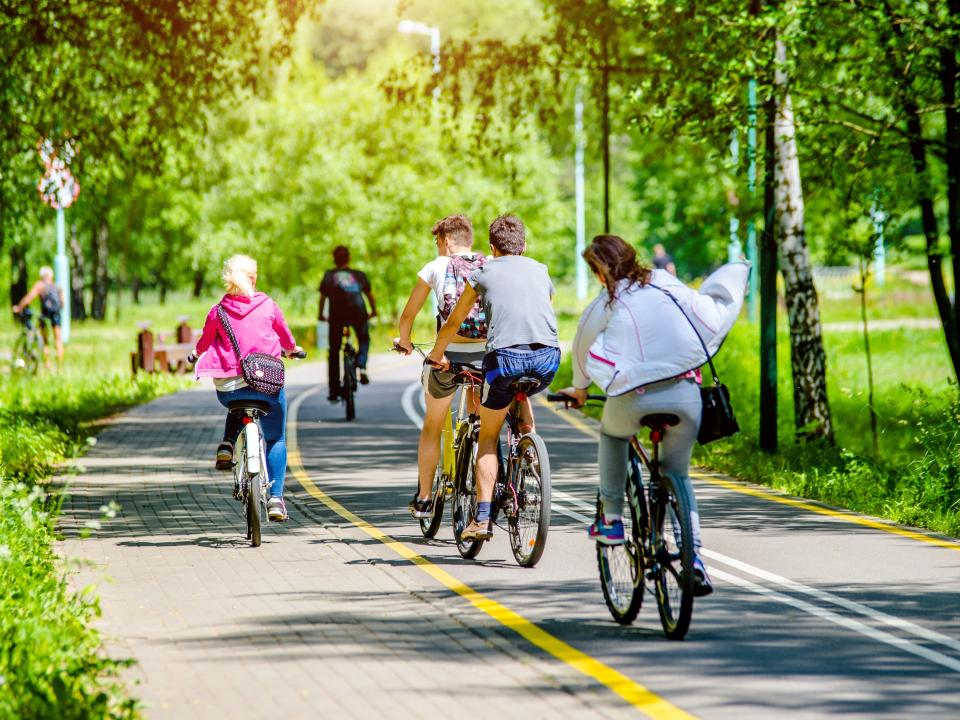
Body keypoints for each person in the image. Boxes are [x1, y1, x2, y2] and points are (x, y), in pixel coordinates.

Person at [557, 234, 749, 597]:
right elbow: (699, 310)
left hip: (634, 397)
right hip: (685, 395)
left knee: (613, 434)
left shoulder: (607, 302)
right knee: (678, 474)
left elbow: (582, 346)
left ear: (600, 272)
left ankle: (612, 519)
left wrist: (580, 388)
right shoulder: (664, 282)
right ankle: (693, 559)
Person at [428, 215, 561, 540]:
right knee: (521, 394)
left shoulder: (482, 272)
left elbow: (455, 320)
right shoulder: (540, 270)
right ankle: (527, 447)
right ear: (524, 245)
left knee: (488, 437)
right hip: (548, 357)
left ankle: (482, 519)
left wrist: (438, 353)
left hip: (504, 358)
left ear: (492, 248)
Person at [192, 254, 303, 522]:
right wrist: (292, 350)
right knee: (276, 437)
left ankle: (227, 444)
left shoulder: (217, 311)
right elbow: (286, 339)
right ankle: (276, 498)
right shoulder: (268, 305)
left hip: (229, 388)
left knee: (238, 401)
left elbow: (204, 342)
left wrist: (194, 356)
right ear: (253, 279)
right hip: (266, 386)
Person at [395, 214, 487, 518]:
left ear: (446, 241)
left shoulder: (435, 267)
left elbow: (408, 315)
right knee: (482, 426)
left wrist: (405, 341)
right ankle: (480, 484)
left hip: (448, 357)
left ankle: (424, 498)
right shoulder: (489, 264)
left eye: (437, 241)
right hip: (486, 357)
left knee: (432, 426)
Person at [318, 246, 377, 402]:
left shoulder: (329, 276)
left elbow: (323, 298)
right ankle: (362, 366)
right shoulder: (358, 275)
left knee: (334, 351)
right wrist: (374, 311)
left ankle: (334, 389)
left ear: (334, 260)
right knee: (364, 338)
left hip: (337, 314)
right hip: (358, 311)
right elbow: (370, 296)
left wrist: (321, 315)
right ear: (349, 258)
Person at [12, 266, 65, 367]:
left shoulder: (40, 285)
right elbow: (63, 303)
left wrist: (19, 307)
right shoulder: (57, 286)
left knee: (45, 340)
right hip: (56, 314)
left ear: (41, 276)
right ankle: (60, 364)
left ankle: (47, 363)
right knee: (58, 339)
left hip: (45, 314)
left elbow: (29, 297)